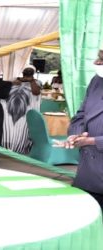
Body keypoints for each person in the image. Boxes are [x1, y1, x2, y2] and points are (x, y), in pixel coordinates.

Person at [53, 50, 103, 210]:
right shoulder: (96, 81)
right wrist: (76, 134)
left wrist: (93, 141)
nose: (96, 63)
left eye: (101, 59)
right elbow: (81, 114)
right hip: (89, 171)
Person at [1, 65, 41, 153]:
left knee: (22, 129)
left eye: (30, 70)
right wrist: (15, 82)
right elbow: (6, 89)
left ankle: (21, 147)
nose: (28, 71)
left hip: (25, 110)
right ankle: (6, 146)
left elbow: (36, 92)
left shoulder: (37, 82)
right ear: (23, 72)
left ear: (33, 73)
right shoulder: (15, 80)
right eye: (26, 70)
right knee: (9, 129)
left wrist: (31, 81)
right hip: (9, 110)